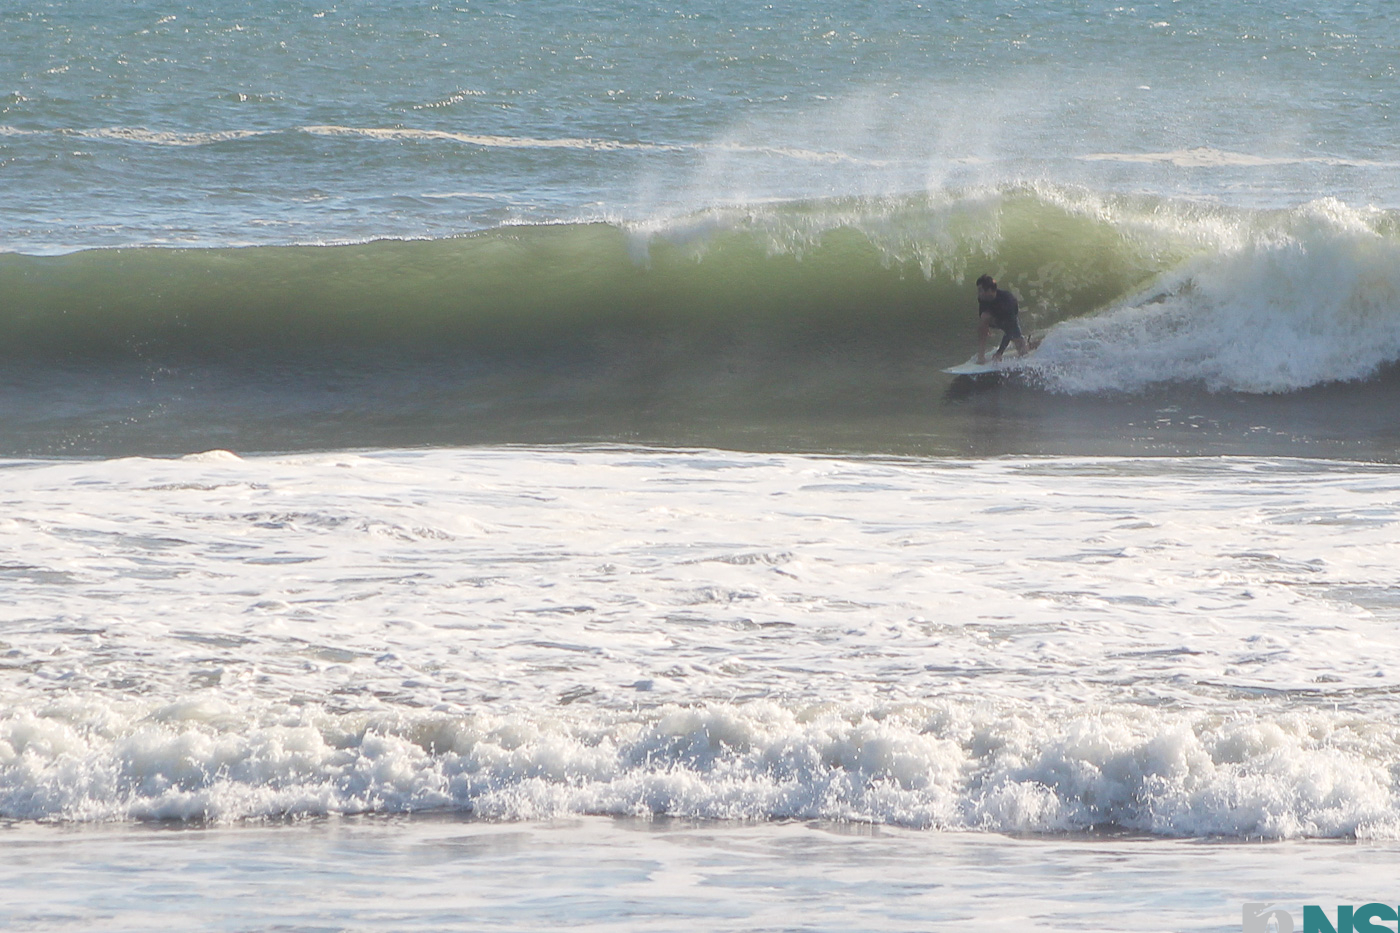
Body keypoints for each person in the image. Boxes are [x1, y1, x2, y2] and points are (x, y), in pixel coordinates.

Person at [975, 273, 1029, 363]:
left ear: (989, 290)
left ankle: (1030, 344)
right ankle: (981, 356)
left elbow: (1010, 330)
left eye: (980, 290)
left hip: (1009, 319)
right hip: (996, 318)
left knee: (1022, 350)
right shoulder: (983, 298)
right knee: (984, 317)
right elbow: (982, 315)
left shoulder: (1007, 301)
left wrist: (999, 352)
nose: (978, 293)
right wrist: (985, 327)